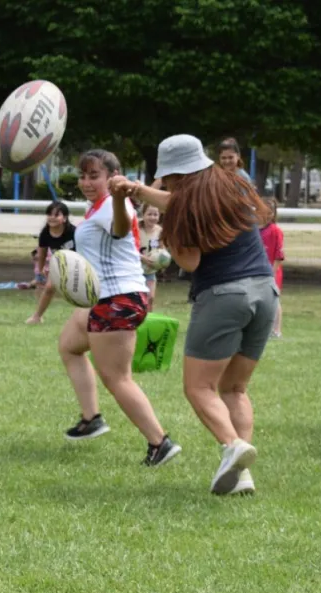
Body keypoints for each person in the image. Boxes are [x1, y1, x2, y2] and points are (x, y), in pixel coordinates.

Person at [113, 134, 277, 495]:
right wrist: (138, 189)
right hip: (265, 291)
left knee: (198, 387)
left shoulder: (185, 208)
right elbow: (175, 198)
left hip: (224, 294)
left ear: (176, 175)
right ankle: (242, 475)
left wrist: (166, 243)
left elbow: (190, 260)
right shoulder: (233, 183)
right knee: (234, 388)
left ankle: (232, 446)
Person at [57, 148, 181, 467]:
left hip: (118, 301)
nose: (86, 181)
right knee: (69, 345)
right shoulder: (97, 207)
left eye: (94, 175)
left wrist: (117, 198)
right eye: (83, 176)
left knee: (117, 378)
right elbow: (118, 244)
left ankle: (160, 443)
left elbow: (122, 228)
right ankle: (91, 418)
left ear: (112, 177)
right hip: (108, 297)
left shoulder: (115, 204)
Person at [26, 201, 75, 324]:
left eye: (56, 215)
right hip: (61, 265)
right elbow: (41, 253)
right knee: (49, 288)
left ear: (64, 218)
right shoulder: (45, 233)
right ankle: (37, 317)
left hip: (78, 265)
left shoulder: (73, 232)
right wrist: (40, 271)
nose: (52, 217)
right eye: (49, 214)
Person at [260, 198, 285, 337]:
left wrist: (272, 272)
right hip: (258, 271)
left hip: (271, 271)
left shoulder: (275, 231)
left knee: (274, 300)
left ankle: (276, 330)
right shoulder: (255, 231)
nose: (267, 215)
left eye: (271, 212)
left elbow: (279, 255)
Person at [138, 203, 163, 309]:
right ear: (143, 215)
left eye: (155, 214)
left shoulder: (160, 230)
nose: (153, 217)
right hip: (135, 271)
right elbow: (128, 249)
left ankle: (148, 321)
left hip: (150, 271)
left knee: (150, 298)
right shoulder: (136, 228)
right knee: (138, 300)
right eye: (149, 214)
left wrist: (161, 260)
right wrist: (142, 258)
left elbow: (162, 249)